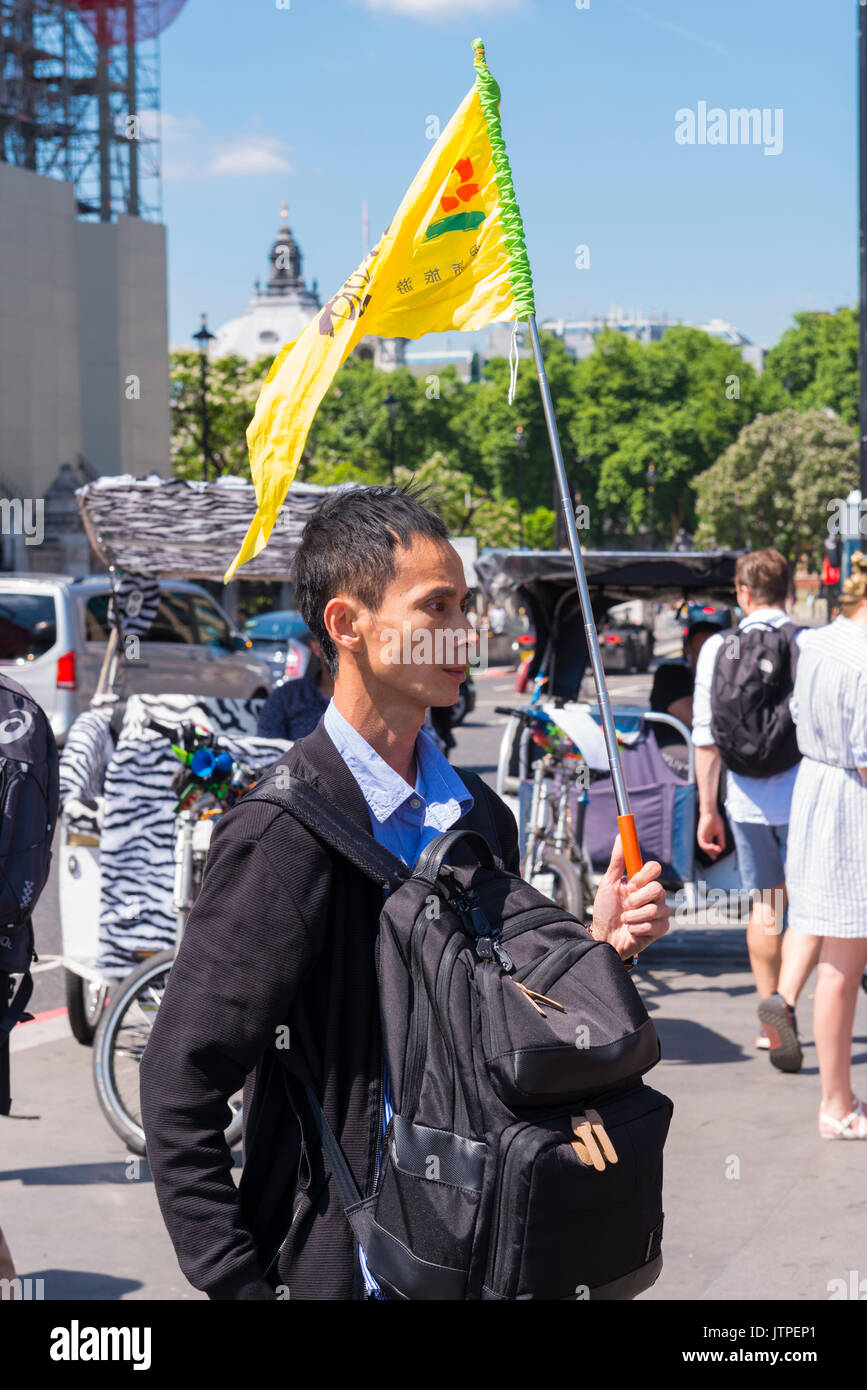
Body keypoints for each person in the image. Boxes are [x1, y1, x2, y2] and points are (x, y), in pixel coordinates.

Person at [140, 485, 670, 1301]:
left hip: (489, 1251)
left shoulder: (475, 813)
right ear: (347, 625)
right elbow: (180, 1084)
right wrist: (238, 1285)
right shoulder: (281, 835)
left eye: (465, 604)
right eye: (436, 607)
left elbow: (495, 1025)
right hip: (353, 1267)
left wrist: (595, 954)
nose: (466, 630)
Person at [692, 549, 818, 1059]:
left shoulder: (718, 647)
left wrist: (707, 807)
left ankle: (770, 1023)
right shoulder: (807, 642)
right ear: (788, 590)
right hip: (804, 797)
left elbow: (705, 737)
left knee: (766, 904)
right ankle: (786, 1003)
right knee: (810, 907)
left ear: (741, 594)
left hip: (743, 799)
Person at [781, 553, 867, 1137]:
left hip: (815, 792)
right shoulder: (863, 658)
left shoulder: (819, 640)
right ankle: (836, 1104)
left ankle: (838, 1100)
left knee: (834, 951)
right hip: (850, 805)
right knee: (843, 960)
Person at [649, 619, 719, 773]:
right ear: (688, 653)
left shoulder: (730, 683)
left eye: (716, 654)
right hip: (675, 756)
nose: (710, 660)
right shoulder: (670, 676)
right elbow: (697, 721)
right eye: (703, 653)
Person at [256, 638, 333, 741]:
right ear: (316, 648)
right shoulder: (286, 697)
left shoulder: (361, 703)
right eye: (335, 643)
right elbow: (269, 750)